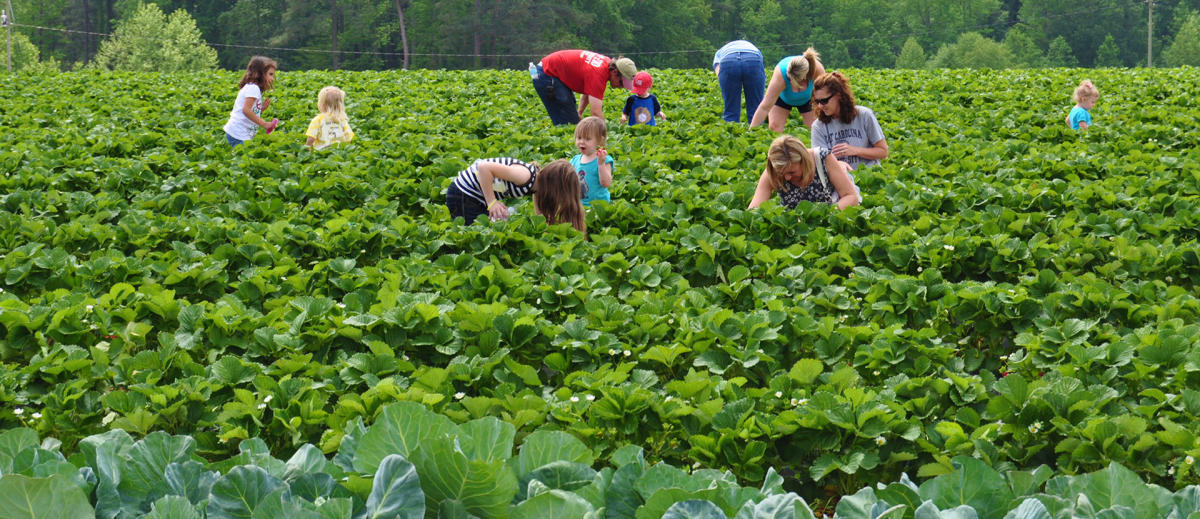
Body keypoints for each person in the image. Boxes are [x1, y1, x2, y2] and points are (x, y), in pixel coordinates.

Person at [444, 157, 586, 232]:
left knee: (486, 228)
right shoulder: (524, 176)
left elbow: (539, 214)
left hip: (476, 197)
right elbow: (483, 167)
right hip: (462, 193)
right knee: (472, 232)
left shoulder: (537, 185)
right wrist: (492, 203)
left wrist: (544, 226)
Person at [748, 135, 860, 210]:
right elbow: (754, 209)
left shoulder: (822, 158)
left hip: (828, 222)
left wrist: (825, 216)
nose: (787, 177)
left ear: (804, 161)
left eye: (792, 172)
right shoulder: (773, 170)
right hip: (794, 228)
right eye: (781, 173)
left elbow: (851, 197)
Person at [531, 49, 637, 125]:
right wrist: (605, 136)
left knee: (572, 117)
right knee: (567, 123)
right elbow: (596, 113)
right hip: (547, 74)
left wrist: (580, 112)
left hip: (553, 73)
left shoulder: (606, 64)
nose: (621, 87)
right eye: (621, 83)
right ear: (615, 72)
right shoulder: (598, 74)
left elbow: (589, 91)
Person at [809, 72, 888, 172]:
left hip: (869, 174)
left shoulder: (864, 115)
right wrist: (837, 164)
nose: (820, 106)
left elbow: (883, 151)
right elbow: (819, 161)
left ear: (839, 95)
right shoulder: (818, 126)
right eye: (817, 101)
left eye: (824, 101)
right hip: (839, 178)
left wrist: (855, 150)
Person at [748, 48, 825, 132]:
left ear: (803, 77)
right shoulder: (780, 74)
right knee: (774, 127)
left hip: (808, 99)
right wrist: (751, 131)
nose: (789, 81)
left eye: (792, 79)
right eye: (788, 78)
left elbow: (825, 98)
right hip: (783, 98)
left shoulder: (817, 71)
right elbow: (765, 107)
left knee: (816, 129)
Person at [223, 56, 279, 148]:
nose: (272, 79)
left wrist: (260, 109)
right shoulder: (253, 88)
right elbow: (246, 110)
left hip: (239, 133)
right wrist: (264, 124)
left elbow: (248, 110)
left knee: (245, 154)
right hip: (238, 134)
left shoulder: (252, 87)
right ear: (260, 74)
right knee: (244, 156)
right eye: (270, 74)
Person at [713, 40, 765, 124]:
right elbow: (760, 67)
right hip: (752, 58)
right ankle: (756, 130)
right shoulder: (751, 46)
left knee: (730, 110)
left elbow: (718, 71)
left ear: (726, 45)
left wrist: (728, 88)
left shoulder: (721, 51)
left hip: (728, 60)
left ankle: (731, 127)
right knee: (756, 108)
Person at [571, 116, 614, 206]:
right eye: (579, 137)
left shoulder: (604, 160)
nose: (582, 142)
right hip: (578, 205)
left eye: (587, 139)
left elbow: (606, 183)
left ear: (600, 140)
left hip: (598, 206)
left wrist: (601, 164)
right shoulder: (575, 160)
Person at [305, 86, 355, 150]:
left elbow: (311, 137)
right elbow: (349, 137)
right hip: (339, 150)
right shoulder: (342, 119)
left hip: (321, 151)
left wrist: (307, 147)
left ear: (322, 104)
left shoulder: (317, 120)